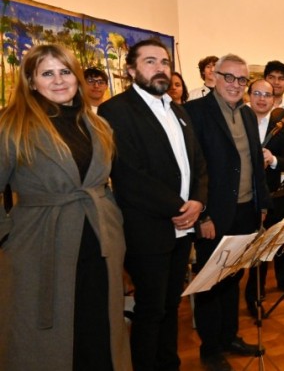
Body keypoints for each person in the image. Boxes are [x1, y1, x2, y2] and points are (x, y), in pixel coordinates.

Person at [0, 44, 131, 371]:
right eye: (47, 73)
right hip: (41, 246)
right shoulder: (12, 125)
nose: (58, 80)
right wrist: (6, 238)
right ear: (31, 81)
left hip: (101, 244)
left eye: (65, 71)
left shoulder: (98, 125)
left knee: (99, 328)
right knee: (49, 339)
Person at [99, 38, 208, 371]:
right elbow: (129, 175)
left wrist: (199, 202)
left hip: (183, 226)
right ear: (131, 69)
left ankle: (168, 363)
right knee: (149, 309)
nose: (160, 68)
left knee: (171, 305)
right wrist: (180, 207)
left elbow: (199, 163)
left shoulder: (177, 109)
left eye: (164, 62)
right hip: (149, 227)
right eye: (150, 61)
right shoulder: (115, 110)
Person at [184, 54, 270, 370]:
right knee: (210, 281)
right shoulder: (195, 112)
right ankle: (210, 348)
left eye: (241, 79)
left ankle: (230, 336)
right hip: (213, 214)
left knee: (233, 277)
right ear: (215, 77)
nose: (235, 85)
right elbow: (192, 168)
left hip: (246, 210)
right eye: (229, 77)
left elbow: (254, 165)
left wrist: (262, 205)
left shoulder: (248, 115)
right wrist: (202, 215)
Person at [243, 79, 284, 318]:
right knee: (255, 248)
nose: (262, 99)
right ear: (249, 96)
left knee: (277, 242)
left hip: (276, 195)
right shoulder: (239, 122)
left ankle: (282, 279)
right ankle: (254, 293)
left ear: (273, 99)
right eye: (257, 93)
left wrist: (273, 159)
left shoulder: (283, 128)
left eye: (267, 95)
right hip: (248, 197)